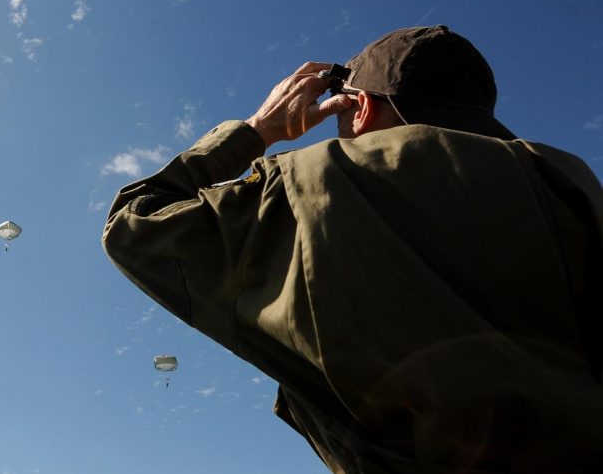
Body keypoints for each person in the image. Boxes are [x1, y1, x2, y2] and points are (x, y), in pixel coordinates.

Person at [102, 25, 603, 473]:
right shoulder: (572, 183)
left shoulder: (308, 181)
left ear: (359, 107)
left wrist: (256, 131)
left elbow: (133, 226)